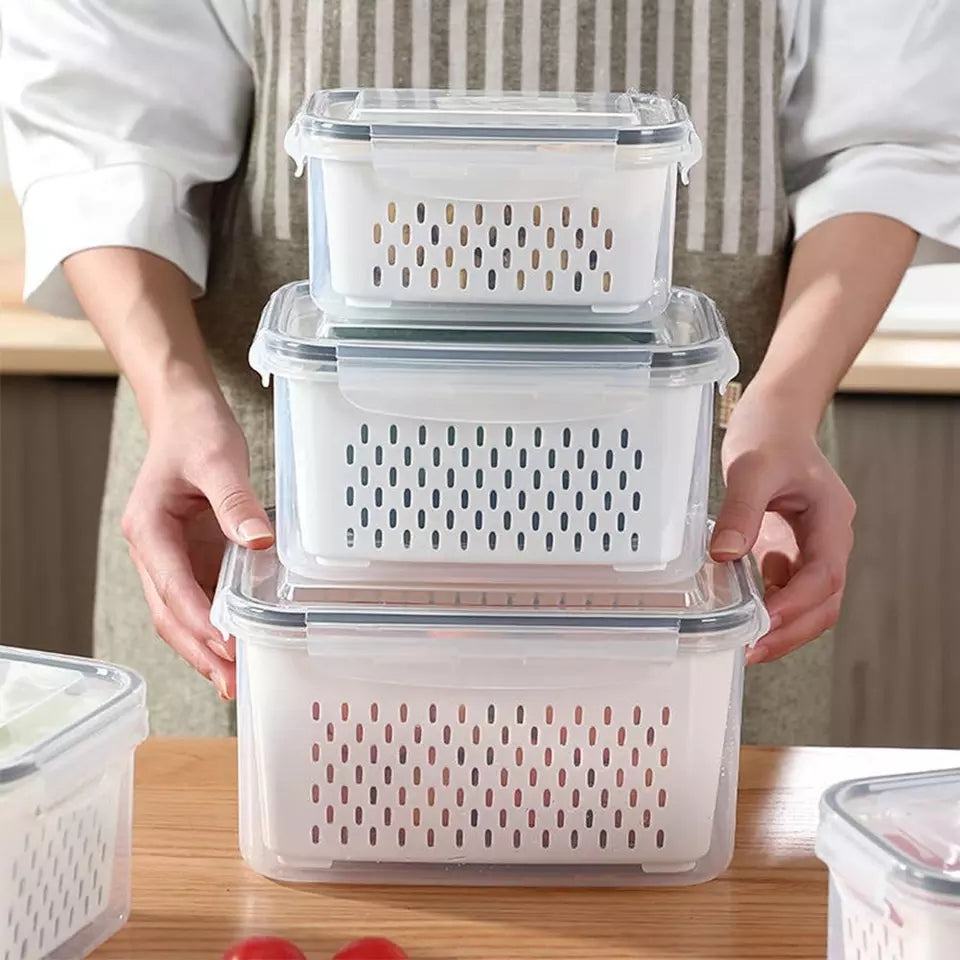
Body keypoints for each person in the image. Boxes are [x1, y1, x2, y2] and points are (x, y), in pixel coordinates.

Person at [2, 1, 958, 742]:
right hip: (258, 492)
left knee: (684, 883)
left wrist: (787, 398)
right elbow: (103, 122)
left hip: (698, 507)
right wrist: (173, 394)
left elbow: (887, 133)